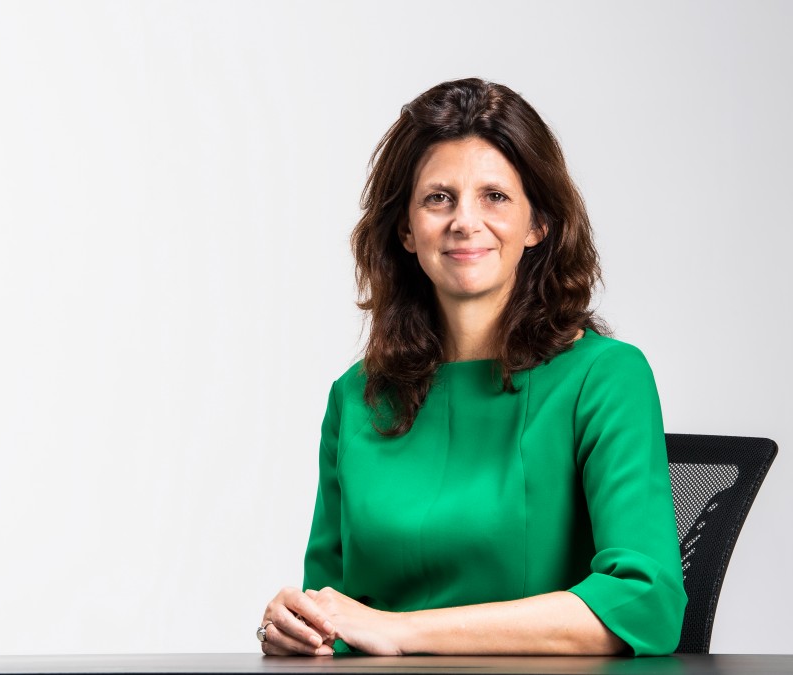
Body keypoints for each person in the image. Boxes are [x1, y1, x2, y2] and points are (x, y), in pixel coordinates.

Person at [257, 78, 686, 657]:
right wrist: (299, 626)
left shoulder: (606, 378)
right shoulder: (355, 397)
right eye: (438, 198)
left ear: (538, 224)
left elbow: (646, 602)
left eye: (495, 196)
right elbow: (333, 615)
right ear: (406, 229)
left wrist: (401, 631)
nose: (464, 220)